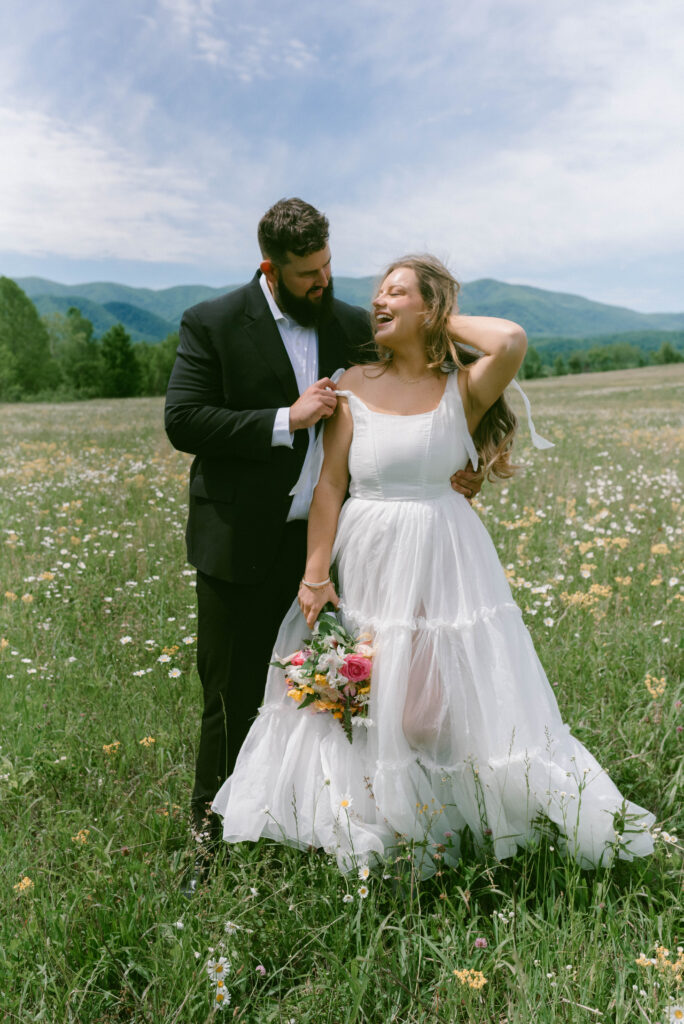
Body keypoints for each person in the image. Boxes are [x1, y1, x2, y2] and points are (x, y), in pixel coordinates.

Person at [211, 254, 654, 874]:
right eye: (379, 294)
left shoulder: (464, 387)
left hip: (445, 556)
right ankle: (386, 821)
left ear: (431, 308)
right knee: (366, 696)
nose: (380, 303)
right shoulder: (352, 383)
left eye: (397, 293)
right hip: (368, 554)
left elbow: (510, 339)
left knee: (428, 707)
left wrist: (444, 322)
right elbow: (330, 488)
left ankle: (456, 815)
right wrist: (315, 575)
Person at [164, 202, 482, 866]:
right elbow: (185, 421)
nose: (324, 281)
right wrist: (287, 416)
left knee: (344, 693)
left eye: (328, 265)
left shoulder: (346, 325)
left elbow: (431, 373)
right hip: (241, 546)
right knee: (231, 696)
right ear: (269, 269)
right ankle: (208, 842)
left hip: (341, 548)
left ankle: (317, 821)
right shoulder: (213, 323)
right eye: (308, 273)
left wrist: (463, 460)